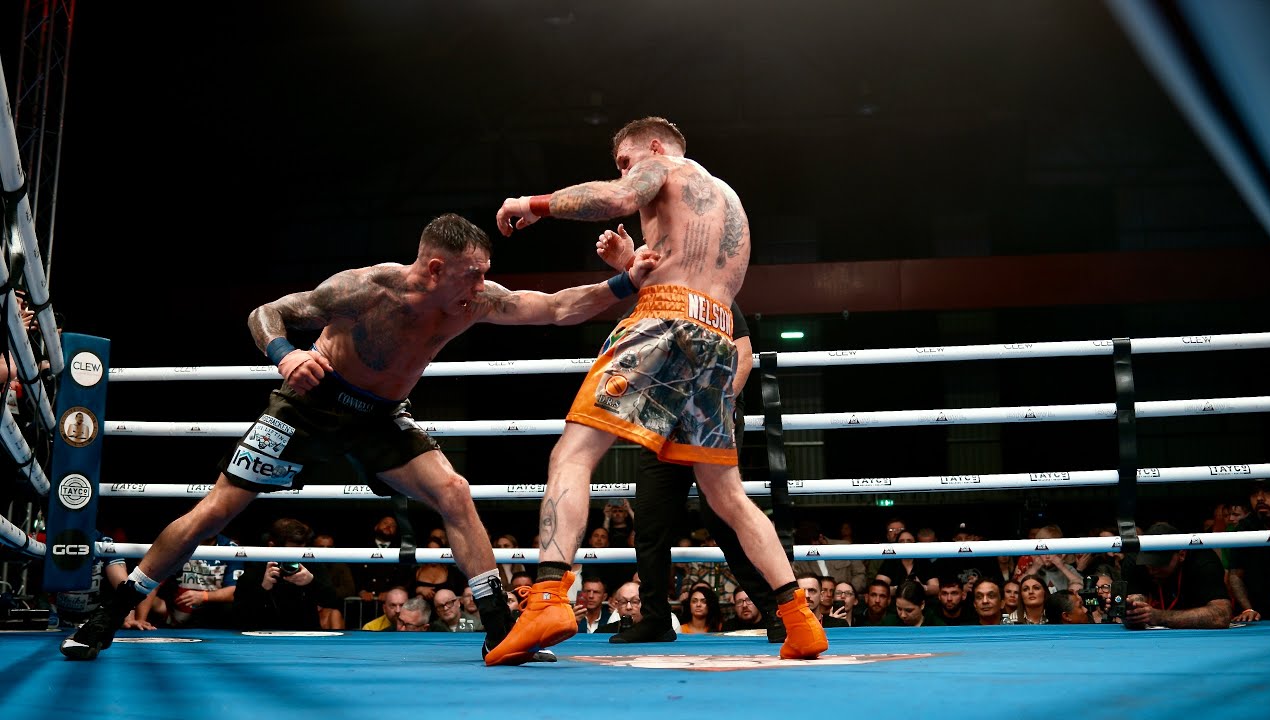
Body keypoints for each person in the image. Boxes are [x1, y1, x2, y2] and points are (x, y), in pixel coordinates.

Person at [59, 212, 659, 661]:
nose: (481, 285)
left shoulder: (471, 303)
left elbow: (554, 307)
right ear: (434, 268)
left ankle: (499, 628)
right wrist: (285, 354)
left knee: (453, 492)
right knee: (215, 511)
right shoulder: (364, 290)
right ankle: (109, 614)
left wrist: (624, 283)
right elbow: (266, 312)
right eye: (472, 274)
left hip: (381, 417)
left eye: (483, 274)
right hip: (309, 404)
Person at [488, 116, 826, 665]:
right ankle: (799, 620)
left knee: (573, 453)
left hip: (664, 321)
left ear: (651, 146)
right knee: (727, 494)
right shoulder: (729, 200)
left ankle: (548, 596)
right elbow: (689, 267)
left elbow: (616, 198)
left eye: (626, 160)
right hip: (716, 335)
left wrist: (533, 204)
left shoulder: (661, 165)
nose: (626, 170)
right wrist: (630, 264)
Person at [592, 230, 786, 644]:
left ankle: (776, 609)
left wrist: (717, 407)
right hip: (663, 423)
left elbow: (744, 355)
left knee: (724, 518)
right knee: (650, 522)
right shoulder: (649, 303)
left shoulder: (715, 295)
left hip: (711, 420)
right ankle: (655, 619)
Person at [231, 518, 343, 630]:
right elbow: (239, 615)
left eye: (301, 550)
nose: (296, 557)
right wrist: (263, 588)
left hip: (305, 633)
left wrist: (312, 582)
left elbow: (334, 602)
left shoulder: (310, 563)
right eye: (291, 551)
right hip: (265, 633)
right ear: (272, 546)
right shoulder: (257, 566)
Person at [1123, 522, 1231, 630]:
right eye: (1148, 563)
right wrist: (1134, 610)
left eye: (1160, 563)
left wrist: (1159, 616)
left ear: (1181, 554)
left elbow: (1221, 616)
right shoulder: (1135, 560)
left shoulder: (1203, 561)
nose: (1152, 570)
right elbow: (1135, 599)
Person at [1226, 479, 1270, 622]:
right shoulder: (1245, 528)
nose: (1260, 498)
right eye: (1254, 493)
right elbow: (1236, 575)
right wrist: (1248, 609)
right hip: (1260, 613)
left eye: (1269, 491)